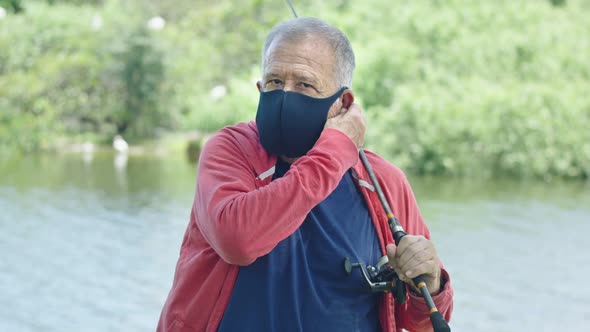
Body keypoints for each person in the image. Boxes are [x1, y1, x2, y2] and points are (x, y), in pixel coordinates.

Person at [157, 17, 453, 332]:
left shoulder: (383, 182)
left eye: (304, 85)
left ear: (343, 103)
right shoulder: (232, 150)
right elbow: (237, 239)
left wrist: (430, 281)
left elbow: (423, 323)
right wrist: (335, 151)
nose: (285, 96)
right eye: (274, 82)